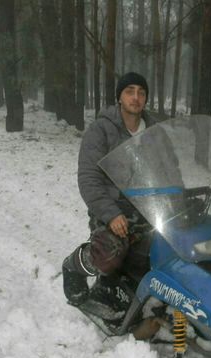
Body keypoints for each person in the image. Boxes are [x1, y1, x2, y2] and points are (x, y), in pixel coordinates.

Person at [62, 72, 157, 311]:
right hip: (112, 209)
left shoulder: (155, 132)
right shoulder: (101, 130)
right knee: (110, 250)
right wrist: (110, 213)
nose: (136, 97)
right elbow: (89, 178)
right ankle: (75, 266)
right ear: (119, 97)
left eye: (141, 92)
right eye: (130, 91)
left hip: (150, 208)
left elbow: (171, 169)